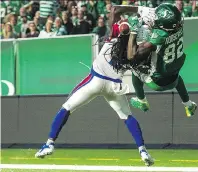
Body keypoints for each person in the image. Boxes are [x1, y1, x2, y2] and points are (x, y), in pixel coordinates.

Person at [35, 22, 154, 167]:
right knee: (127, 116)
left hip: (96, 80)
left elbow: (114, 14)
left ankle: (49, 143)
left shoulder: (112, 40)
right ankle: (143, 150)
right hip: (114, 86)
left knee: (67, 107)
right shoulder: (133, 51)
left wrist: (130, 16)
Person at [110, 3, 197, 117]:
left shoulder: (160, 35)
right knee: (172, 70)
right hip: (174, 77)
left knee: (134, 66)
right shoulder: (176, 25)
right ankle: (189, 105)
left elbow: (132, 56)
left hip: (157, 82)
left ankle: (142, 101)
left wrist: (133, 32)